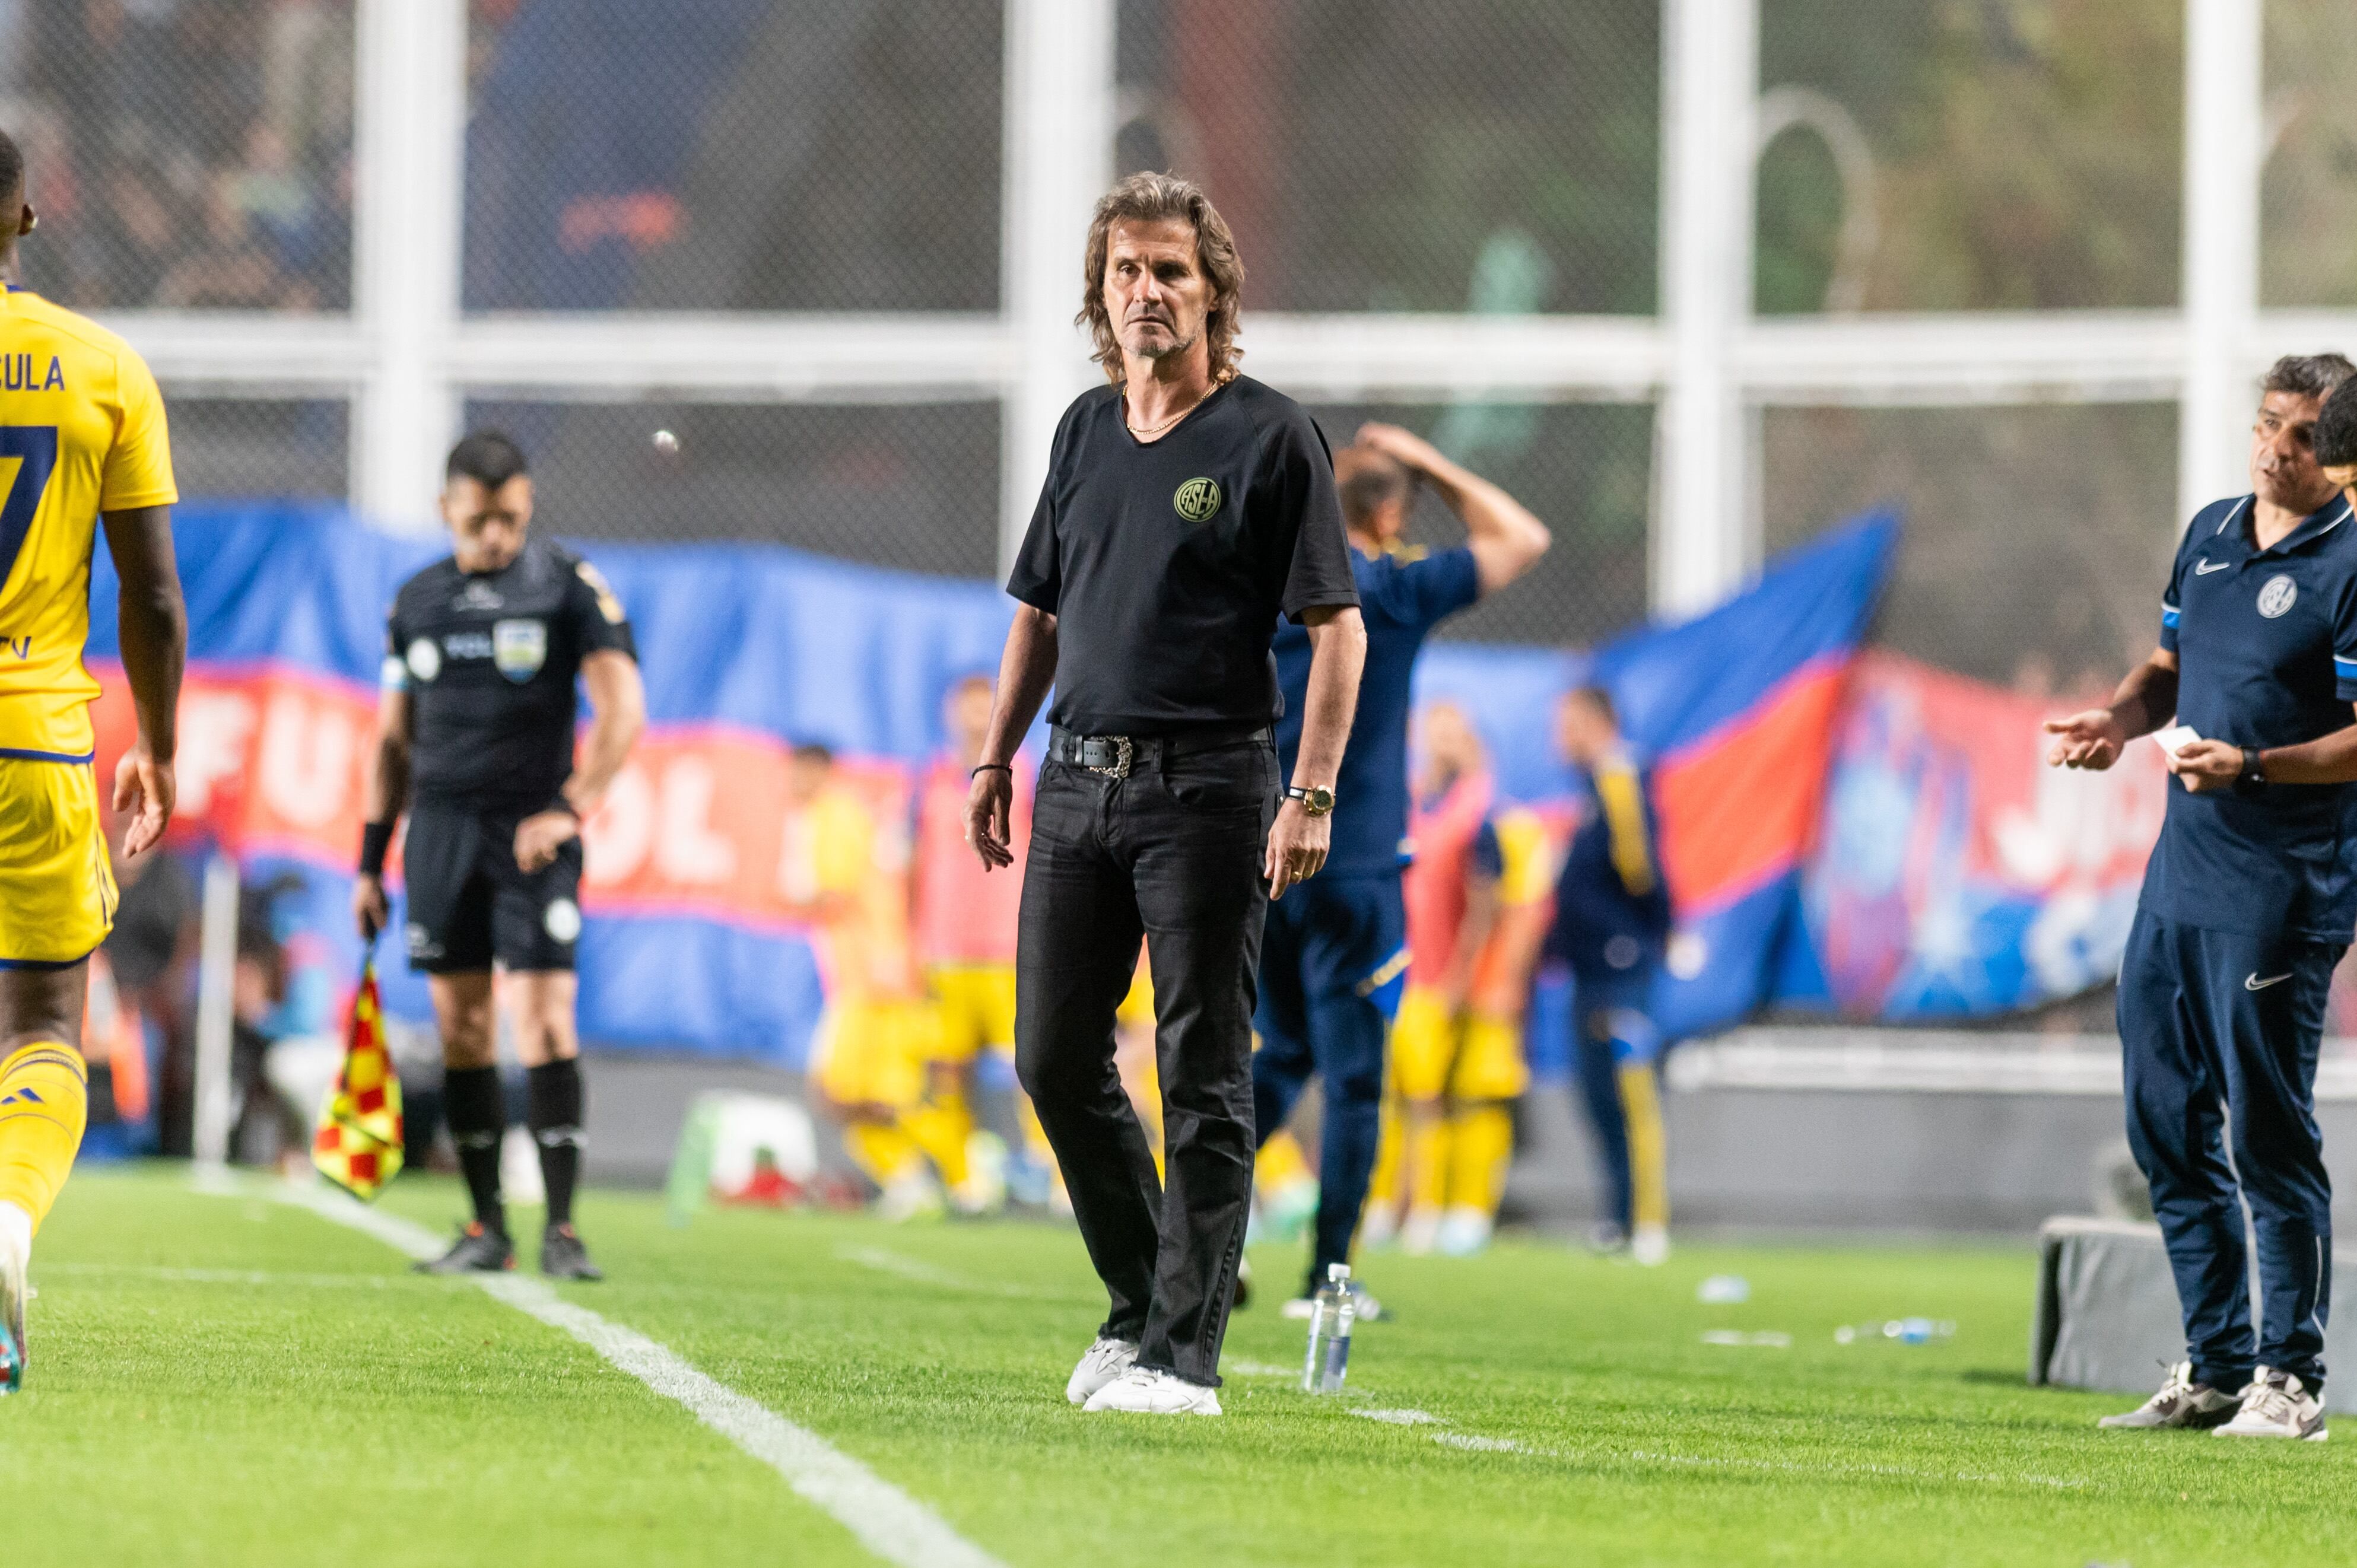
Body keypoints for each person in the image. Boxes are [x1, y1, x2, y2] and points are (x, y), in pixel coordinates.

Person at [967, 171, 1366, 1416]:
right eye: (1127, 271)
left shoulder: (1269, 436)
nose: (1147, 291)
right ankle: (1144, 1306)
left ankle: (1185, 1361)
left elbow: (1338, 630)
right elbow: (1038, 610)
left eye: (1171, 273)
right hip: (1076, 785)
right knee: (1050, 1056)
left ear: (1214, 292)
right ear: (1102, 288)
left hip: (1210, 790)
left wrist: (1312, 791)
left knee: (1202, 1072)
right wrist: (995, 755)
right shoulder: (1083, 431)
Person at [2063, 354, 2357, 1442]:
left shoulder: (2352, 560)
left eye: (2301, 435)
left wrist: (2257, 767)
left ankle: (2293, 1378)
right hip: (2179, 874)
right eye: (2266, 426)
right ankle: (2217, 1364)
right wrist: (2115, 720)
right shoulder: (2211, 532)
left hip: (2283, 886)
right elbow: (2166, 668)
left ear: (2339, 449)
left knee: (2267, 1130)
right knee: (2162, 1120)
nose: (2275, 450)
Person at [1251, 414, 1552, 1314]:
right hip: (1354, 864)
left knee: (1274, 1054)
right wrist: (1427, 459)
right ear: (1389, 517)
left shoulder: (1260, 582)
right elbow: (1521, 536)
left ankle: (1184, 1233)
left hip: (1259, 857)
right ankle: (1328, 1275)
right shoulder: (1393, 588)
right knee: (1353, 1077)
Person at [354, 431, 645, 1280]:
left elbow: (623, 710)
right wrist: (370, 861)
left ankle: (563, 1229)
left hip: (532, 830)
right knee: (463, 1027)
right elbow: (391, 745)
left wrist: (569, 807)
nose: (497, 536)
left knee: (546, 1015)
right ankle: (487, 1225)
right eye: (481, 519)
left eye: (511, 518)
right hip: (441, 832)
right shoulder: (416, 600)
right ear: (448, 508)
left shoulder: (567, 584)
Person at [0, 128, 188, 1392]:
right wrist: (158, 749)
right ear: (22, 213)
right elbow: (156, 598)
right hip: (33, 737)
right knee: (46, 1019)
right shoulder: (104, 365)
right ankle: (5, 1227)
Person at [1548, 685, 1674, 1266]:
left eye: (1570, 724)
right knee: (1599, 1097)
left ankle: (1646, 1223)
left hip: (1620, 966)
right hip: (1590, 968)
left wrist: (1645, 939)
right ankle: (1618, 1217)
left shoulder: (1620, 781)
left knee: (1630, 1092)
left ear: (1599, 724)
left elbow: (1642, 870)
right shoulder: (1591, 790)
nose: (1561, 738)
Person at [789, 741, 936, 1219]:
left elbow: (835, 890)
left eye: (799, 771)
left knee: (842, 1091)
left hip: (870, 982)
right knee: (850, 1093)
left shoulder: (835, 814)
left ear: (818, 770)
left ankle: (955, 1165)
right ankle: (912, 1176)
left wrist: (793, 899)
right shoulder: (839, 814)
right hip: (862, 979)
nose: (792, 782)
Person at [907, 673, 1033, 1213]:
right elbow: (912, 865)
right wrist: (912, 940)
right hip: (946, 953)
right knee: (945, 1071)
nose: (976, 718)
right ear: (950, 713)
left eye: (987, 708)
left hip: (1008, 950)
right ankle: (965, 1181)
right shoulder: (930, 779)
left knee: (1035, 1070)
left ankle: (1060, 1178)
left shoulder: (1024, 777)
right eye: (968, 708)